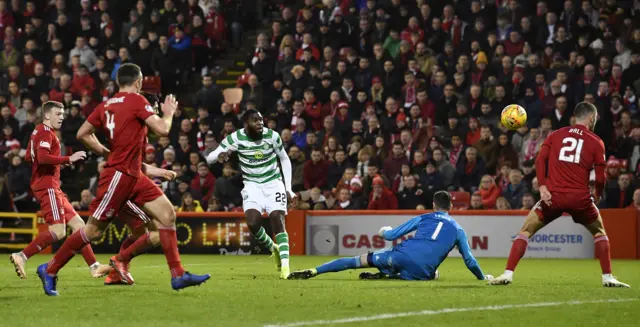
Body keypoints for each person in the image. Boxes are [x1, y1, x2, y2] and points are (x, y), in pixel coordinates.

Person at [37, 64, 210, 296]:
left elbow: (82, 134)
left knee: (167, 215)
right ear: (138, 82)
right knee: (93, 232)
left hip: (134, 174)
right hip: (119, 176)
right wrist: (168, 112)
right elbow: (162, 130)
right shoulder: (137, 101)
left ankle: (177, 274)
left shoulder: (106, 104)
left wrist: (107, 153)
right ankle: (50, 269)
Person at [489, 102, 630, 288]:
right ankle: (607, 277)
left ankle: (507, 273)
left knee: (525, 231)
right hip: (580, 199)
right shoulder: (596, 142)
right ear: (591, 118)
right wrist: (597, 193)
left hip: (552, 197)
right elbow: (601, 176)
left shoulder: (556, 135)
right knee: (599, 232)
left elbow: (540, 160)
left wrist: (542, 187)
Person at [288, 191, 492, 282]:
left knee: (356, 261)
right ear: (451, 207)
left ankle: (315, 271)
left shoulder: (424, 217)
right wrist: (482, 278)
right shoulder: (458, 230)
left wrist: (383, 231)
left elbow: (392, 235)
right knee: (432, 275)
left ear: (433, 205)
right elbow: (469, 260)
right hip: (422, 271)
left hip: (399, 255)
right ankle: (391, 275)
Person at [10, 101, 111, 280]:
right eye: (58, 114)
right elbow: (41, 157)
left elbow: (29, 156)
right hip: (47, 187)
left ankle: (94, 266)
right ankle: (22, 256)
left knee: (80, 226)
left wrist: (55, 165)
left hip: (51, 185)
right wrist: (66, 159)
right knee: (59, 231)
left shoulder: (37, 131)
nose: (62, 117)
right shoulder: (45, 132)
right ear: (47, 115)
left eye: (63, 114)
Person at [206, 109, 296, 279]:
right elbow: (210, 158)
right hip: (252, 186)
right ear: (246, 125)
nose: (260, 123)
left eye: (261, 120)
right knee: (253, 222)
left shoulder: (272, 136)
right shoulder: (236, 138)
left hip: (273, 183)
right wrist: (220, 155)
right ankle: (273, 248)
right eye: (255, 121)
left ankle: (285, 266)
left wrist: (288, 187)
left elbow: (284, 158)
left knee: (277, 217)